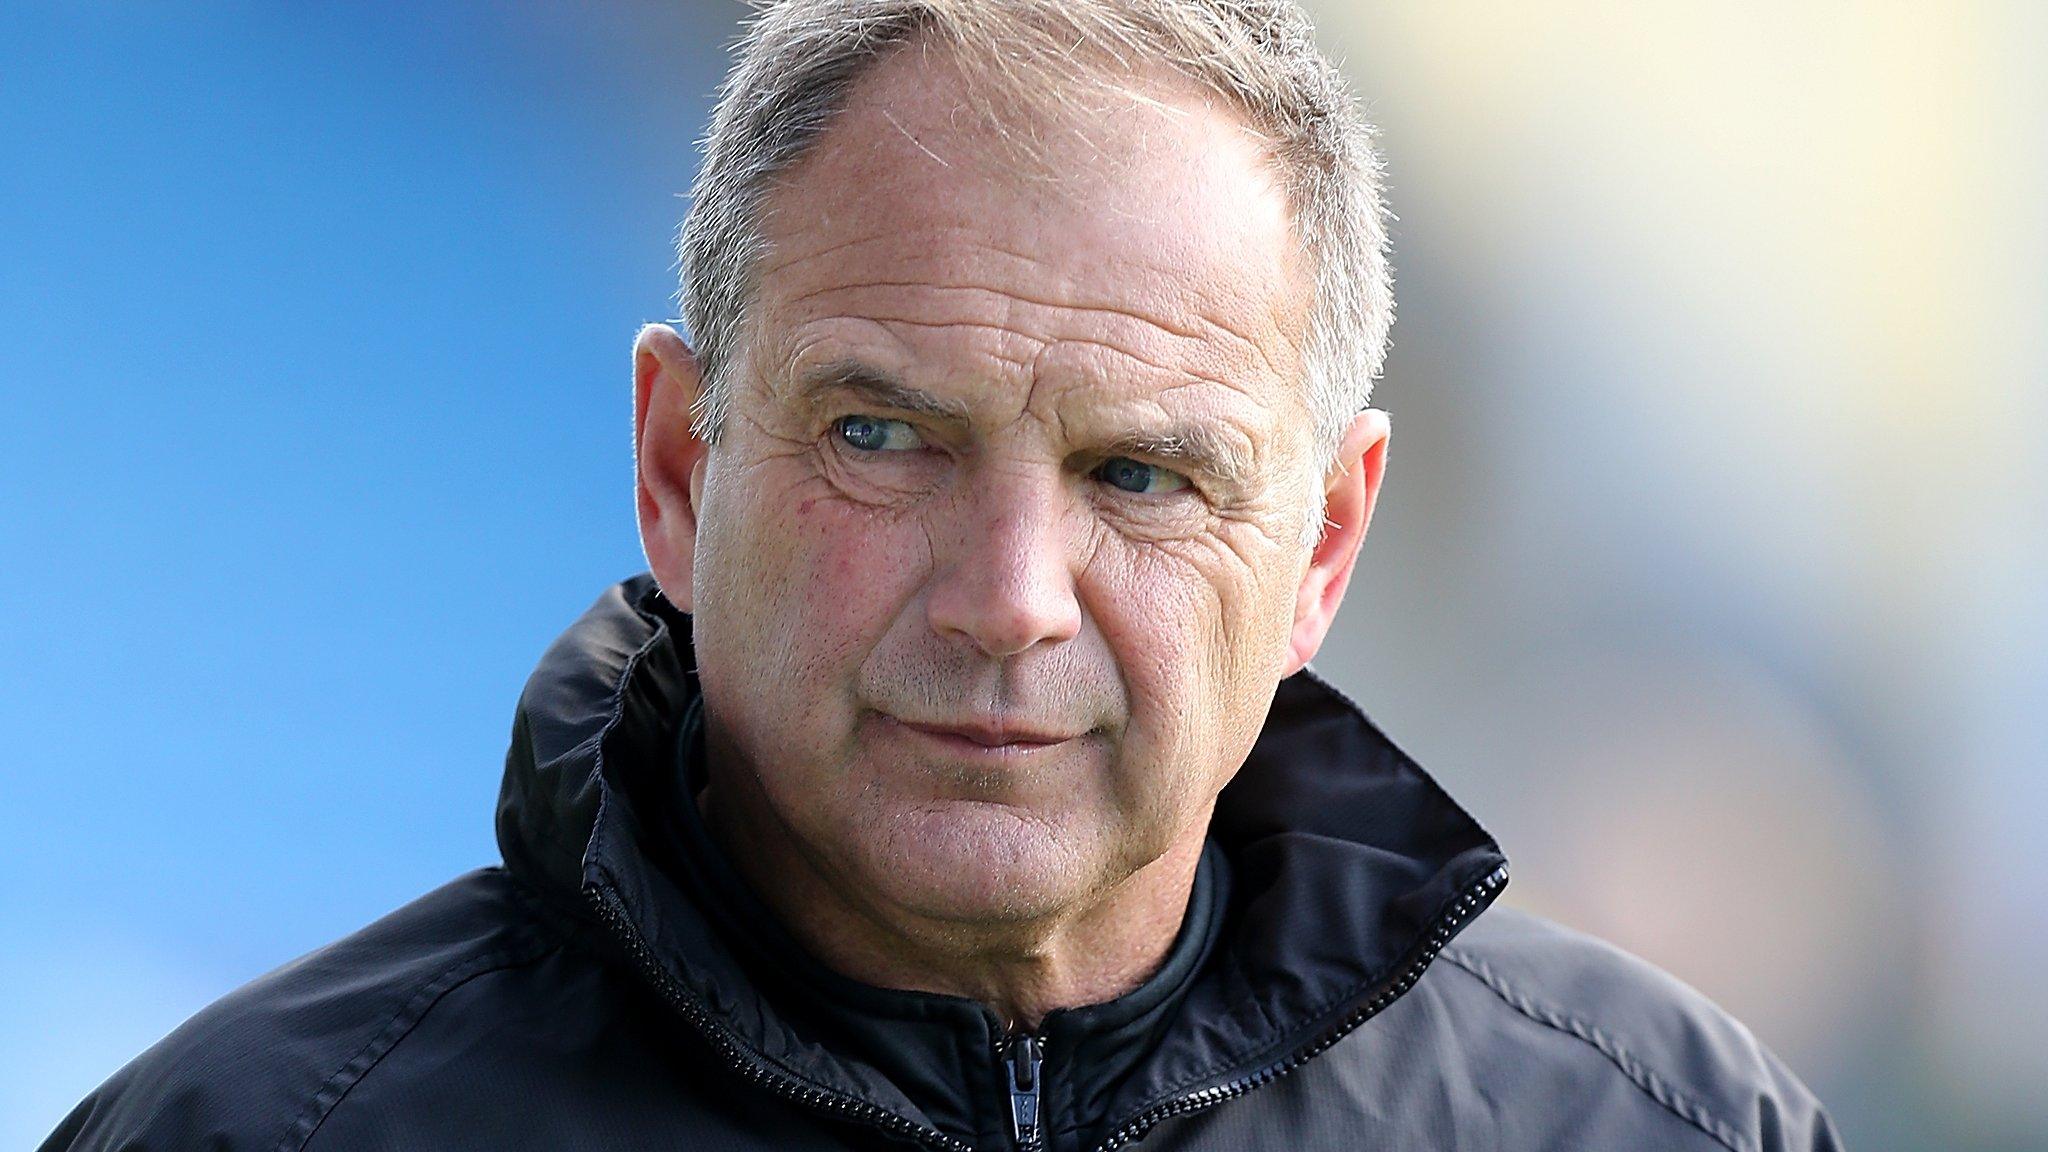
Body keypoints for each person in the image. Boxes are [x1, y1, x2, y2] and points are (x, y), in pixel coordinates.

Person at [42, 2, 1840, 1149]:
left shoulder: (1657, 1127)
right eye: (885, 438)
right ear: (679, 467)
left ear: (1324, 547)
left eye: (1141, 473)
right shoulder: (255, 1134)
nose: (1010, 598)